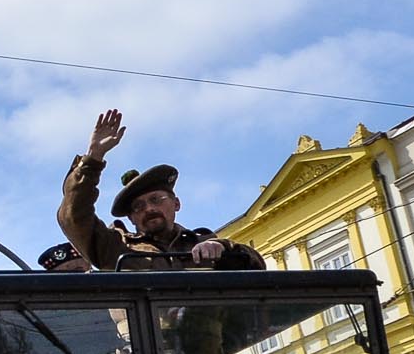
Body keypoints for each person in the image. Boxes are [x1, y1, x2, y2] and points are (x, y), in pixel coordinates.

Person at [60, 110, 267, 272]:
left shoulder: (203, 242)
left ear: (176, 204)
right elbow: (74, 217)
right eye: (138, 206)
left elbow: (257, 267)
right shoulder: (115, 249)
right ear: (131, 218)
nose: (149, 208)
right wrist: (92, 159)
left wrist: (224, 249)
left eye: (156, 199)